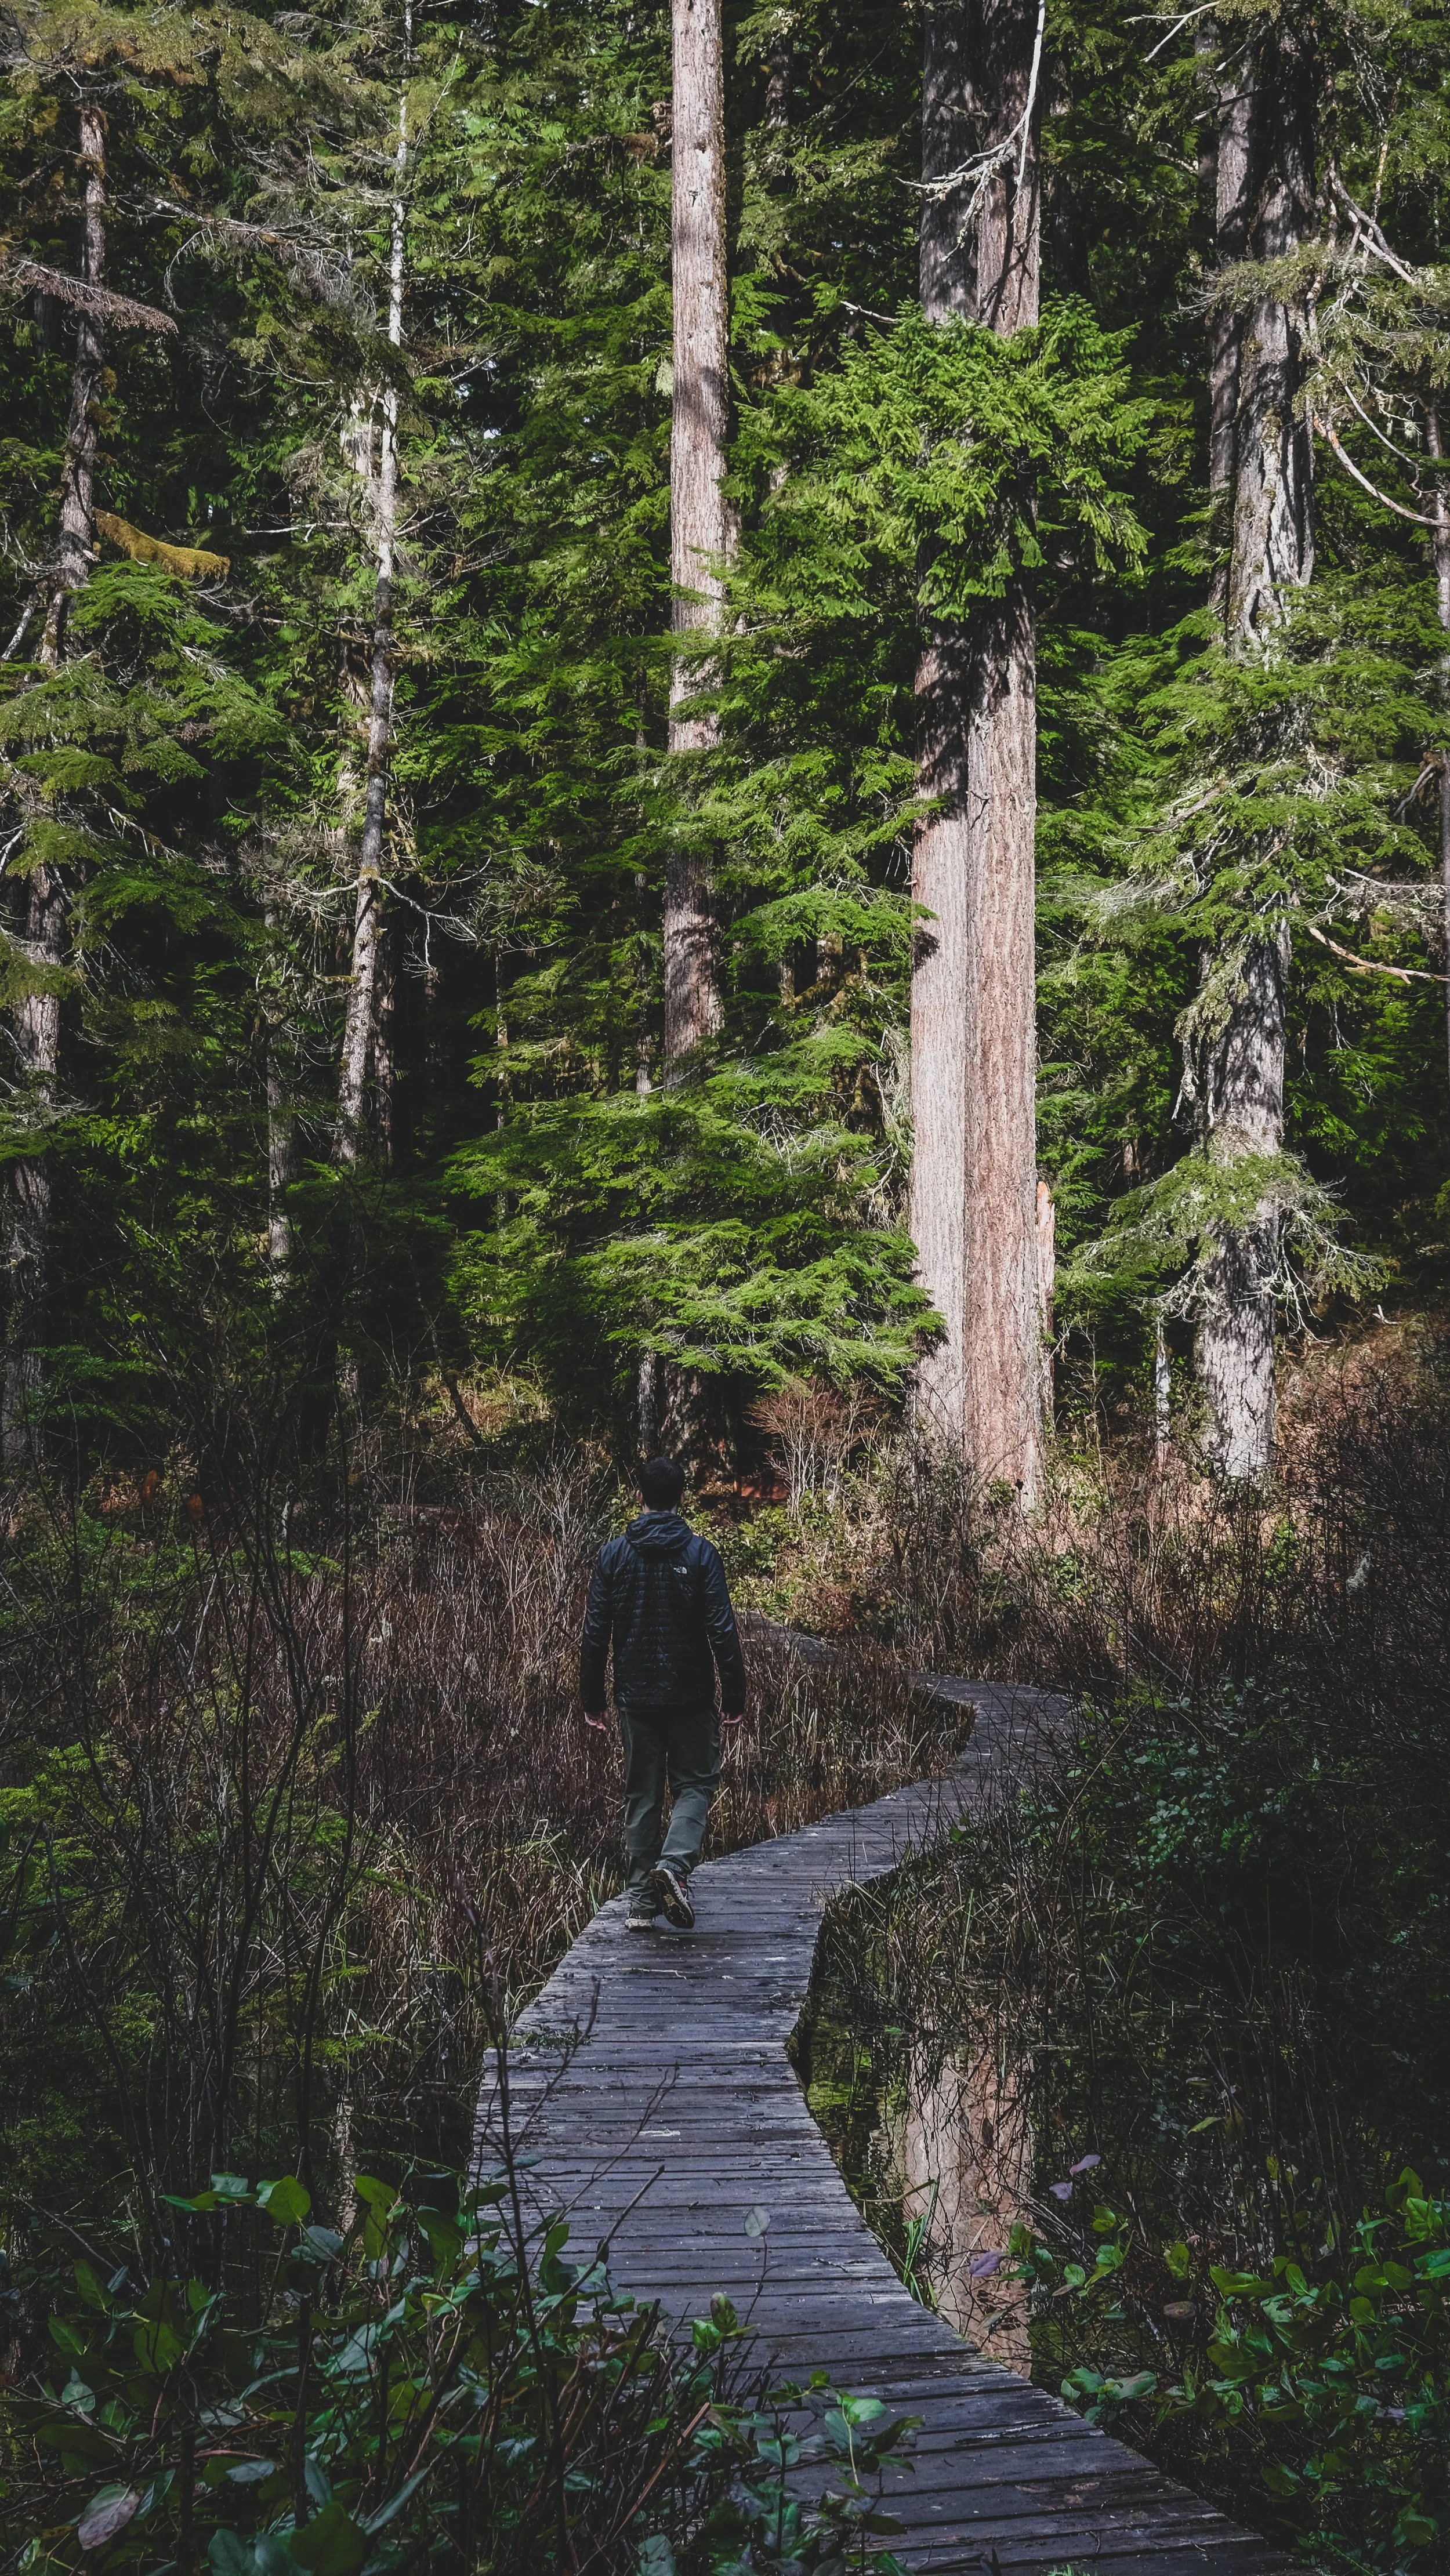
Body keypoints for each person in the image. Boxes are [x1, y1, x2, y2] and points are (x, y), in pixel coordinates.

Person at [581, 1454, 748, 1931]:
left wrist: (592, 1698)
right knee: (695, 1784)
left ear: (640, 1497)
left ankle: (639, 1905)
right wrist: (734, 1696)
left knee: (642, 1794)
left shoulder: (613, 1555)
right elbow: (722, 1630)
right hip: (692, 1696)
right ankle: (673, 1867)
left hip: (635, 1696)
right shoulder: (701, 1554)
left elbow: (596, 1632)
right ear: (681, 1498)